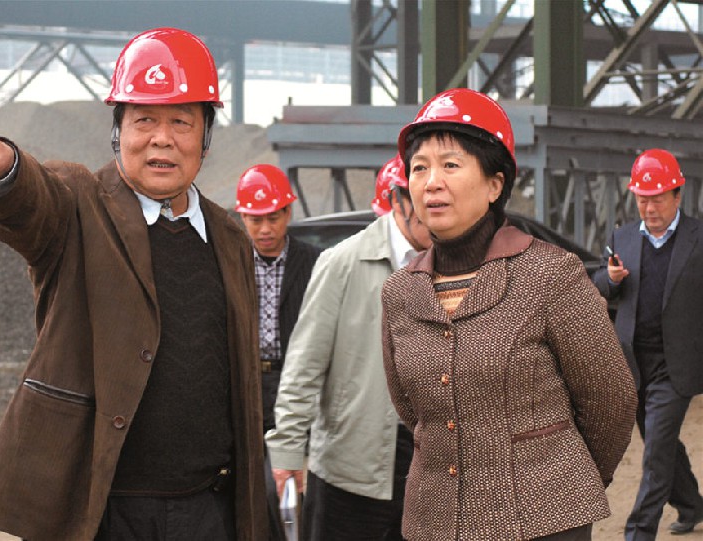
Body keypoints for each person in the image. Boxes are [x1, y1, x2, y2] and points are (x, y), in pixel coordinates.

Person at [0, 27, 268, 541]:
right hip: (103, 510)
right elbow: (34, 203)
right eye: (144, 120)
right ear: (118, 131)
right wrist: (6, 172)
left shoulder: (229, 237)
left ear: (205, 139)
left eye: (181, 122)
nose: (162, 138)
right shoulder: (81, 205)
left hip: (208, 510)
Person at [380, 88, 638, 541]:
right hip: (435, 521)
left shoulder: (550, 274)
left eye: (450, 165)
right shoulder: (400, 292)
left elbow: (611, 400)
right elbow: (412, 410)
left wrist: (561, 485)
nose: (431, 182)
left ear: (495, 184)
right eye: (419, 167)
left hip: (544, 523)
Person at [265, 153, 431, 541]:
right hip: (351, 467)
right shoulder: (343, 262)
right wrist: (288, 452)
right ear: (397, 201)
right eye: (421, 199)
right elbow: (304, 365)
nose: (433, 210)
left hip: (428, 468)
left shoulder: (453, 263)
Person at [593, 149, 703, 540]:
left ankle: (639, 533)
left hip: (678, 364)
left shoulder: (698, 239)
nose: (649, 208)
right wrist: (611, 279)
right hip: (634, 364)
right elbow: (600, 284)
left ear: (677, 195)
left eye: (657, 199)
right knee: (662, 444)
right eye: (642, 199)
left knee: (656, 451)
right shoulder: (622, 237)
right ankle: (692, 505)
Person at [234, 163, 321, 539]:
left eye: (273, 217)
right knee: (249, 486)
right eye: (255, 220)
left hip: (295, 383)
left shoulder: (315, 262)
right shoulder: (231, 262)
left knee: (290, 485)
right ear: (242, 218)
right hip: (248, 383)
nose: (265, 229)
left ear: (288, 212)